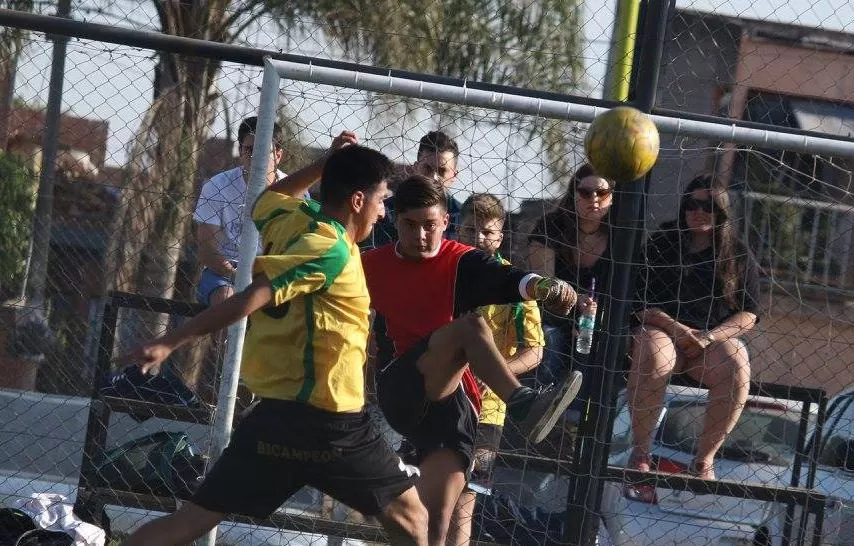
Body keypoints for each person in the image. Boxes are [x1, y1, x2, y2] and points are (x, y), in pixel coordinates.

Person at [119, 141, 428, 546]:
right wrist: (169, 342)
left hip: (275, 419)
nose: (383, 212)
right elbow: (252, 297)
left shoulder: (295, 220)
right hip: (331, 423)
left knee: (189, 521)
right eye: (382, 200)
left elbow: (269, 199)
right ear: (358, 200)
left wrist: (325, 163)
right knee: (413, 519)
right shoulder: (329, 250)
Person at [362, 175, 582, 546]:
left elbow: (508, 279)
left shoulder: (459, 260)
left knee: (436, 526)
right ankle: (524, 403)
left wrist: (547, 287)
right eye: (410, 225)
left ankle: (522, 404)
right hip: (402, 389)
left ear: (444, 222)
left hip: (452, 408)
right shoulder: (371, 264)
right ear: (395, 221)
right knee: (470, 328)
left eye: (429, 225)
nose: (420, 235)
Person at [626, 174, 761, 486]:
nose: (698, 212)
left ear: (722, 211)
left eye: (708, 206)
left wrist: (709, 336)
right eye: (691, 204)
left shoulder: (737, 253)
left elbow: (750, 313)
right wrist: (676, 329)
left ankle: (703, 460)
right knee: (655, 354)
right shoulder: (662, 243)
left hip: (708, 341)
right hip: (661, 330)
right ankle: (641, 453)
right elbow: (636, 302)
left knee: (737, 361)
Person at [447, 193, 545, 546]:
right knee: (424, 492)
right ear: (457, 228)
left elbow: (535, 351)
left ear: (500, 237)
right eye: (470, 229)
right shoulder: (440, 270)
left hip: (487, 411)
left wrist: (497, 371)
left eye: (487, 232)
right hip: (437, 398)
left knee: (465, 499)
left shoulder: (516, 285)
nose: (478, 238)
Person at [526, 163, 614, 399]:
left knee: (606, 344)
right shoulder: (551, 226)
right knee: (550, 338)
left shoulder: (620, 235)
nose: (593, 199)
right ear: (574, 195)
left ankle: (584, 414)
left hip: (598, 318)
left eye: (602, 192)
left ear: (612, 197)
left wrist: (592, 317)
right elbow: (544, 285)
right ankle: (541, 404)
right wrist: (576, 301)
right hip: (553, 313)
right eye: (585, 192)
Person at [193, 116, 287, 307]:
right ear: (241, 151)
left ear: (278, 155)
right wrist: (236, 276)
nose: (256, 157)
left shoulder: (293, 191)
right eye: (250, 150)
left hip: (273, 271)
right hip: (225, 271)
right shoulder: (217, 186)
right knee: (226, 300)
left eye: (264, 151)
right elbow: (207, 249)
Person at [367, 130, 463, 249]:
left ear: (454, 175)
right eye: (427, 168)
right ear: (416, 167)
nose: (434, 177)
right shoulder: (385, 210)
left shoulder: (464, 217)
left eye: (441, 171)